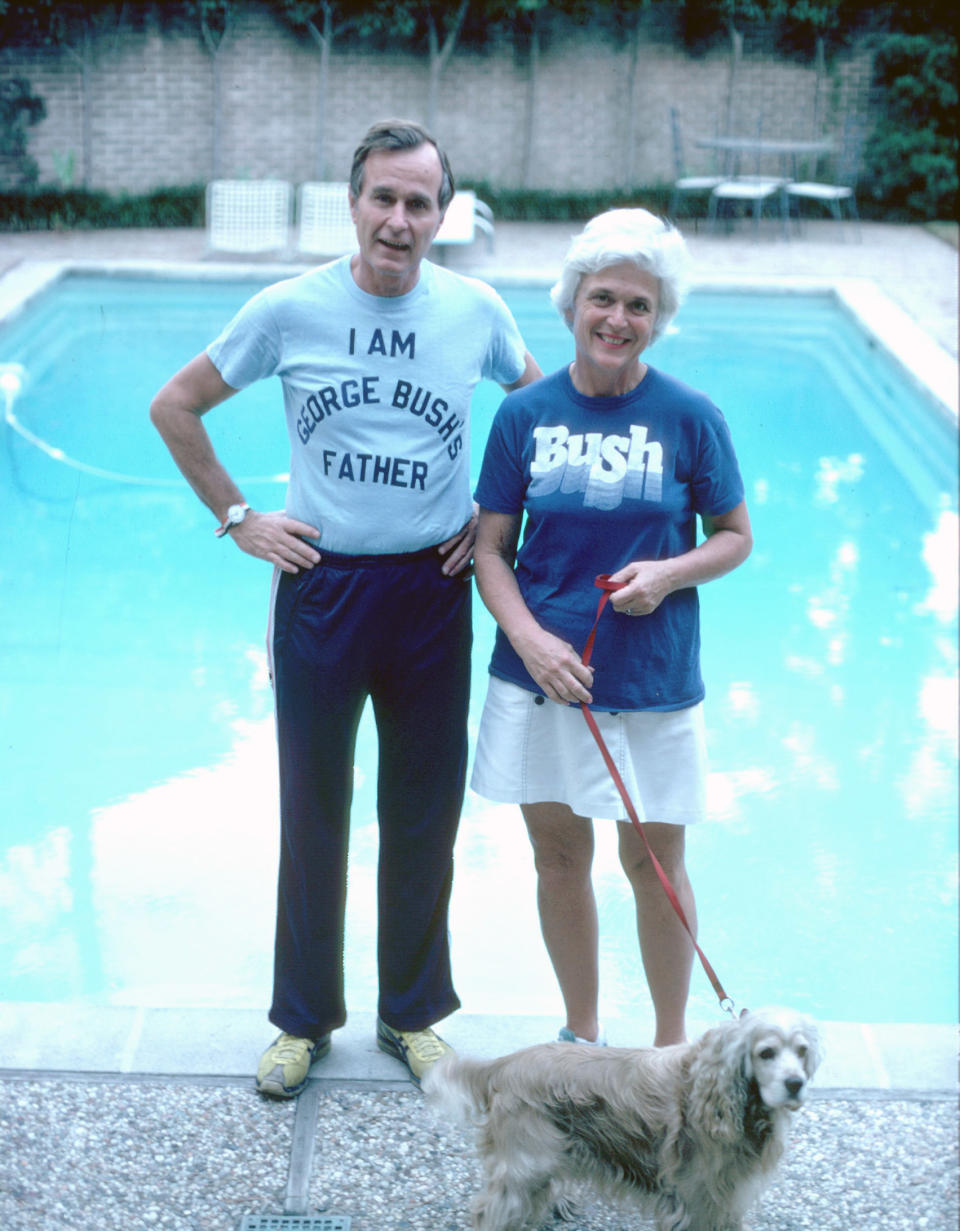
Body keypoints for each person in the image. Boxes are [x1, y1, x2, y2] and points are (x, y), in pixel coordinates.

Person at [150, 120, 540, 1097]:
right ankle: (301, 1021)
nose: (399, 220)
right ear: (352, 202)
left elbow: (544, 419)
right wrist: (239, 517)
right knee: (312, 809)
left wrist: (499, 529)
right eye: (383, 198)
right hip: (321, 588)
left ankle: (412, 1015)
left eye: (420, 202)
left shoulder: (475, 309)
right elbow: (175, 405)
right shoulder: (291, 308)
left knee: (422, 813)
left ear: (443, 213)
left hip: (432, 590)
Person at [470, 209, 752, 1049]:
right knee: (558, 862)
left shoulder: (691, 415)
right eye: (604, 299)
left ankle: (669, 1053)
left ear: (658, 319)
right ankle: (582, 1042)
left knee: (654, 868)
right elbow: (489, 548)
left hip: (653, 680)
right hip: (543, 677)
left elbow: (735, 537)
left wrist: (668, 573)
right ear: (570, 304)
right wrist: (530, 640)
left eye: (639, 305)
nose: (618, 320)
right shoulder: (524, 416)